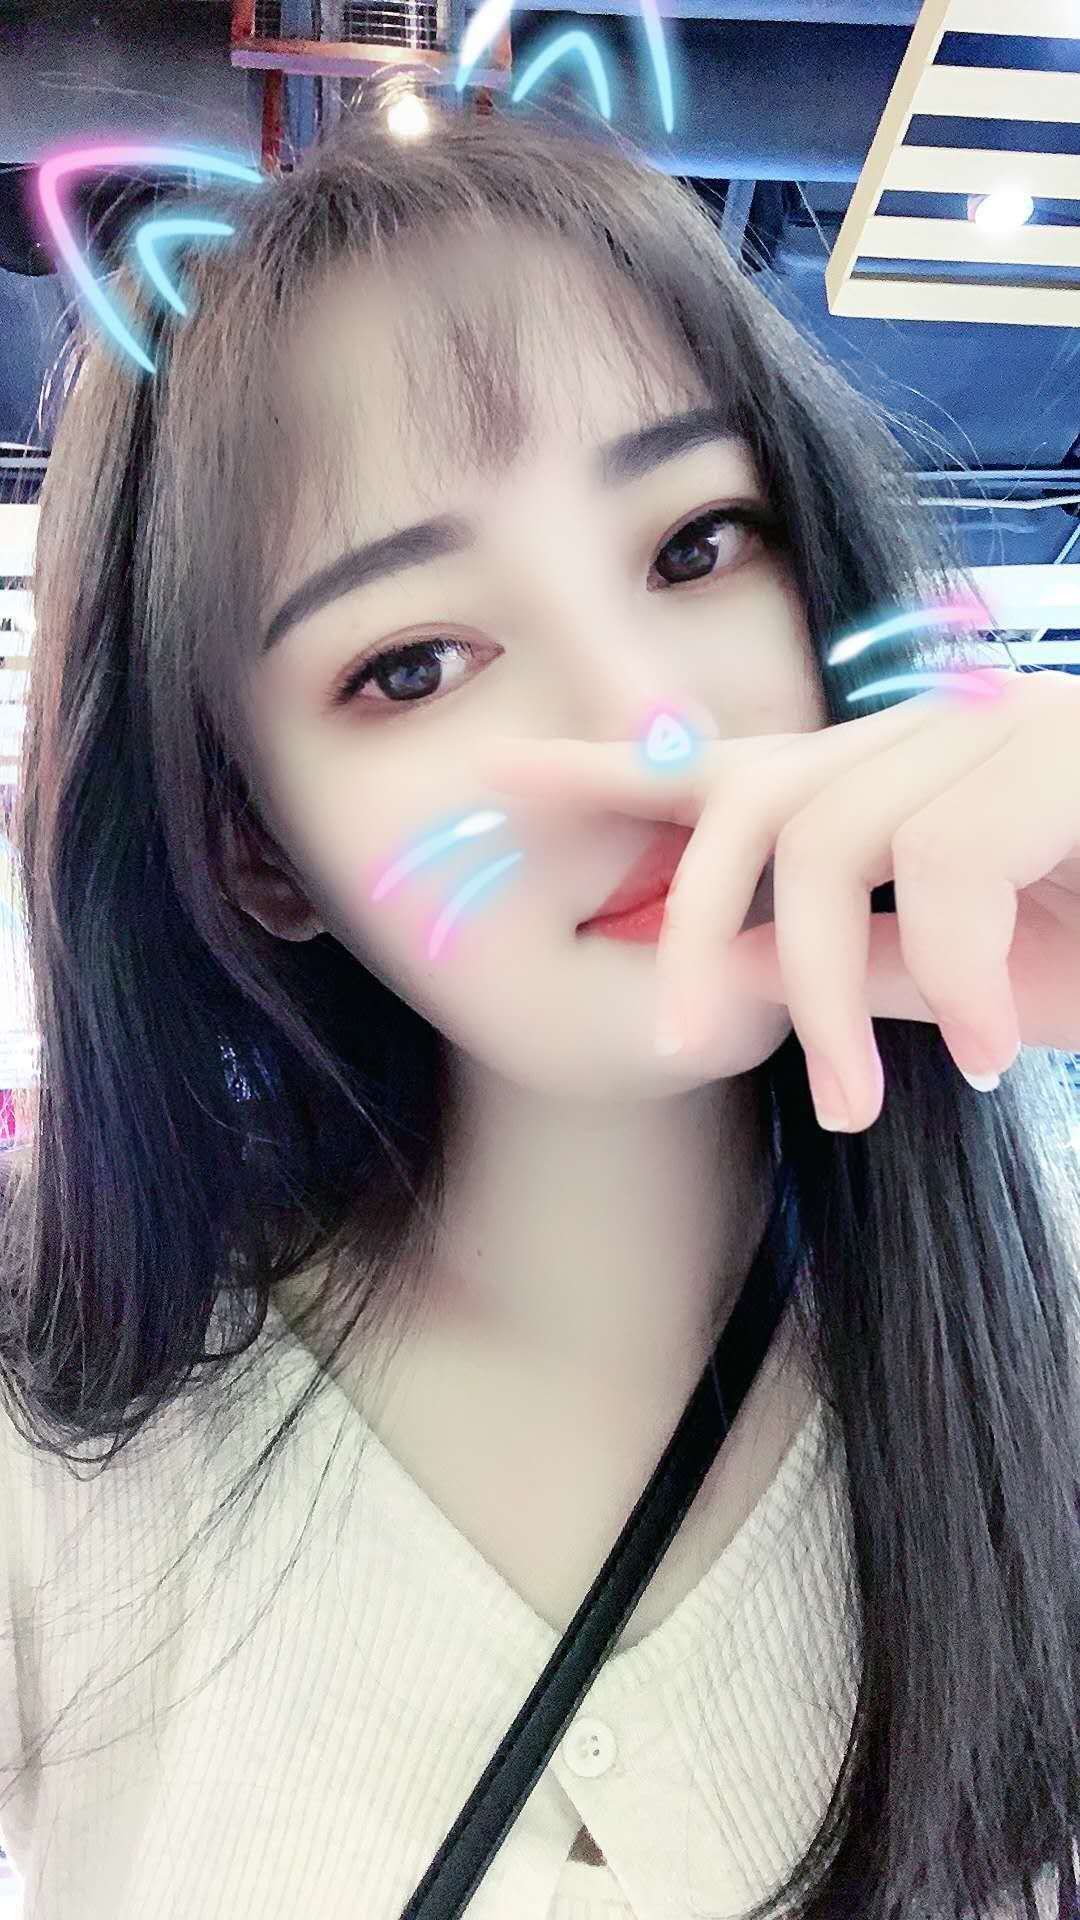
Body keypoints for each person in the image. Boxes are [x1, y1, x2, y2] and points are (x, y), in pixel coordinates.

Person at [0, 92, 1078, 1920]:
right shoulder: (63, 1436)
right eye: (415, 661)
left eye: (697, 547)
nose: (649, 722)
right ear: (259, 850)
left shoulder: (1034, 1382)